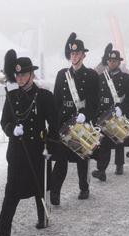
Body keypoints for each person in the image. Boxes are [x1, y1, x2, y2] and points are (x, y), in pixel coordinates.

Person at [0, 50, 57, 236]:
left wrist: (50, 148)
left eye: (24, 74)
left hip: (37, 151)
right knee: (11, 191)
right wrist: (12, 130)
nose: (20, 78)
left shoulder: (44, 96)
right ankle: (3, 229)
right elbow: (4, 122)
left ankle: (42, 218)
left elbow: (54, 123)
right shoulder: (11, 96)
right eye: (17, 75)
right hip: (17, 152)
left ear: (31, 75)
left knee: (40, 187)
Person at [50, 33, 100, 204]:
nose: (74, 56)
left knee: (82, 158)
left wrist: (86, 114)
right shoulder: (62, 75)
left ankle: (84, 187)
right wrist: (54, 124)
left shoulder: (92, 75)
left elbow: (95, 102)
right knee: (61, 160)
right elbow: (56, 101)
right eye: (72, 54)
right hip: (64, 122)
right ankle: (55, 193)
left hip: (81, 123)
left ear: (83, 55)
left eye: (78, 53)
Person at [92, 50, 129, 181]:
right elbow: (98, 97)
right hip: (104, 114)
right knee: (103, 142)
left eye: (114, 61)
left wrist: (122, 109)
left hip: (118, 112)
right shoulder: (101, 77)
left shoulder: (126, 78)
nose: (112, 63)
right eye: (110, 61)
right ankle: (102, 170)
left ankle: (119, 164)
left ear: (119, 62)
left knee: (119, 141)